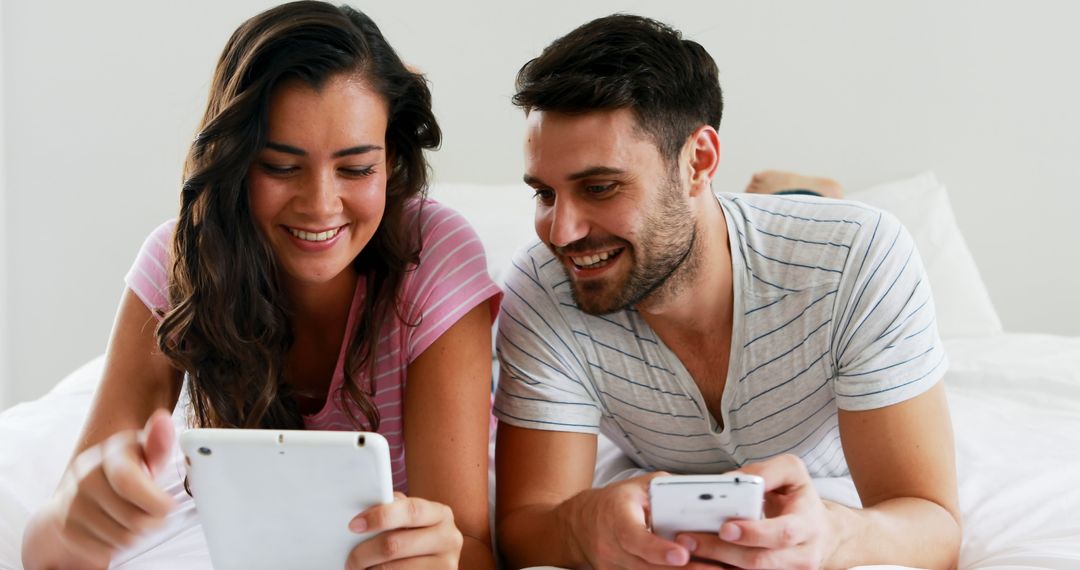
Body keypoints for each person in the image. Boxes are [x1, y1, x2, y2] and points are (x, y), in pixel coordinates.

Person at [22, 2, 500, 568]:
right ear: (234, 163)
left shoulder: (434, 255)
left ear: (391, 163)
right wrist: (78, 519)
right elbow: (49, 552)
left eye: (356, 168)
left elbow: (471, 550)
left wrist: (438, 555)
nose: (321, 205)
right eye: (280, 166)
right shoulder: (180, 258)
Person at [493, 14, 961, 570]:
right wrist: (580, 525)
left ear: (700, 162)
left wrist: (834, 536)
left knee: (804, 228)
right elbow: (526, 526)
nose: (561, 232)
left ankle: (803, 193)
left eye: (600, 187)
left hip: (803, 276)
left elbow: (934, 524)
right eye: (545, 193)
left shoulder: (857, 256)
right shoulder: (544, 286)